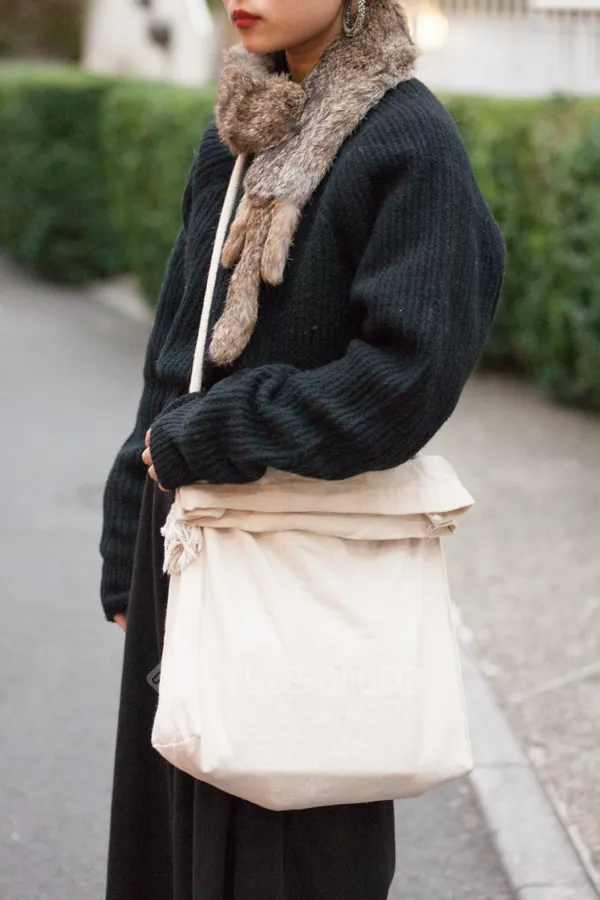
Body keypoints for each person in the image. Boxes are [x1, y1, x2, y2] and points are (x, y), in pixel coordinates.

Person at [99, 0, 505, 897]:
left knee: (290, 857)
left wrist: (220, 431)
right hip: (185, 546)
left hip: (305, 569)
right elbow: (178, 349)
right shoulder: (239, 132)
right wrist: (127, 524)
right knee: (167, 847)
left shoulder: (410, 143)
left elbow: (404, 382)